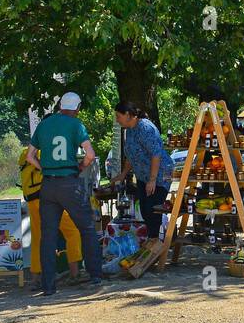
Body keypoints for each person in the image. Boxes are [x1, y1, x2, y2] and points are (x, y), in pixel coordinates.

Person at [27, 91, 105, 296]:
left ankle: (48, 286)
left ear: (60, 105)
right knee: (87, 228)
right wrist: (80, 167)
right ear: (77, 108)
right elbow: (90, 155)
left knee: (48, 236)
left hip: (48, 186)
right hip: (70, 182)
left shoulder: (44, 125)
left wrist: (44, 168)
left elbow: (30, 156)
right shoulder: (76, 126)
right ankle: (95, 275)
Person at [18, 149, 84, 289]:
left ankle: (36, 278)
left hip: (32, 199)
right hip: (49, 197)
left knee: (38, 238)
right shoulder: (48, 150)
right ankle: (75, 273)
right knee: (72, 231)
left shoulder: (26, 152)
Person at [111, 100, 174, 239]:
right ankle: (153, 242)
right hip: (143, 177)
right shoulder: (129, 130)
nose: (117, 119)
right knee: (145, 211)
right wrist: (123, 174)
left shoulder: (145, 128)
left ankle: (155, 243)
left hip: (159, 175)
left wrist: (152, 180)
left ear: (128, 114)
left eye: (118, 116)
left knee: (152, 210)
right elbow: (131, 155)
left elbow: (156, 154)